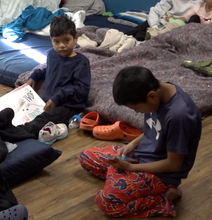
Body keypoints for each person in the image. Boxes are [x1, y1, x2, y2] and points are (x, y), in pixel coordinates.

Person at [78, 66, 202, 218]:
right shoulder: (159, 92)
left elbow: (173, 164)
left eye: (136, 108)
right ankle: (120, 179)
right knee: (86, 156)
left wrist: (129, 167)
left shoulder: (178, 116)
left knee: (106, 202)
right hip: (138, 157)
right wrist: (131, 145)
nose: (137, 112)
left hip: (162, 176)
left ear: (151, 96)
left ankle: (163, 198)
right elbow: (154, 129)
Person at [24, 15, 90, 137]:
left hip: (67, 106)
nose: (61, 46)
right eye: (56, 41)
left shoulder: (81, 62)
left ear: (75, 38)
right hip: (47, 102)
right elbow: (49, 71)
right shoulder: (52, 55)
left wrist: (58, 97)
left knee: (40, 121)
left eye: (66, 40)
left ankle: (18, 133)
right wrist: (34, 76)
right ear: (51, 40)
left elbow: (82, 89)